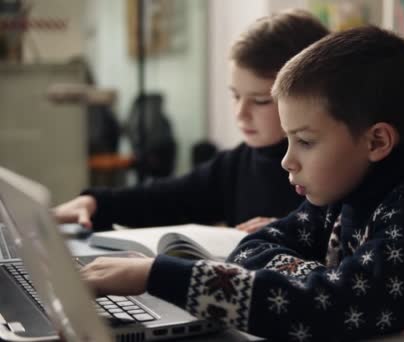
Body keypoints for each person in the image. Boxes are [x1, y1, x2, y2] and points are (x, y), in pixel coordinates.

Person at [81, 26, 404, 341]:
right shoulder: (343, 192)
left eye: (305, 141)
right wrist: (319, 275)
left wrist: (157, 275)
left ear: (377, 141)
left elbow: (323, 310)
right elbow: (253, 247)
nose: (287, 160)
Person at [53, 10, 329, 233]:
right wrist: (95, 202)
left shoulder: (337, 169)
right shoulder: (235, 165)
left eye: (259, 101)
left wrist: (295, 233)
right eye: (234, 96)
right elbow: (165, 198)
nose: (240, 113)